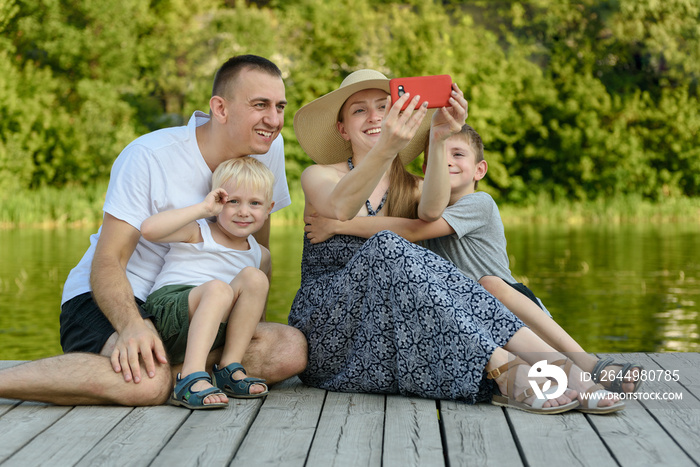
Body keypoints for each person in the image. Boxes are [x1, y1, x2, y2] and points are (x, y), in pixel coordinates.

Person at [289, 69, 623, 414]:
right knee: (386, 245)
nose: (373, 116)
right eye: (359, 110)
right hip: (331, 330)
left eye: (382, 106)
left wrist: (438, 136)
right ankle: (508, 370)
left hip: (389, 332)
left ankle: (559, 367)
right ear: (343, 128)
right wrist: (387, 147)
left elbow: (431, 212)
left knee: (430, 270)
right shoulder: (320, 175)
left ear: (398, 115)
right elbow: (340, 207)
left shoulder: (411, 186)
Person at [0, 54, 307, 406]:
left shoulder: (268, 147)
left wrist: (250, 328)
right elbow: (109, 260)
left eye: (280, 106)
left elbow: (254, 251)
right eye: (260, 105)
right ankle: (164, 374)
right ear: (220, 108)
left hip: (204, 305)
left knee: (289, 349)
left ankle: (177, 372)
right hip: (113, 299)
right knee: (146, 385)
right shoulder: (149, 155)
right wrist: (133, 325)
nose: (274, 119)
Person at [141, 157, 276, 409]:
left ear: (269, 208)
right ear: (218, 201)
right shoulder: (198, 231)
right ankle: (188, 377)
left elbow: (256, 307)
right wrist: (202, 209)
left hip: (214, 326)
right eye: (233, 201)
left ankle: (229, 369)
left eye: (255, 203)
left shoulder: (260, 254)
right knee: (218, 289)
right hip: (170, 313)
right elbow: (148, 229)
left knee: (254, 278)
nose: (244, 211)